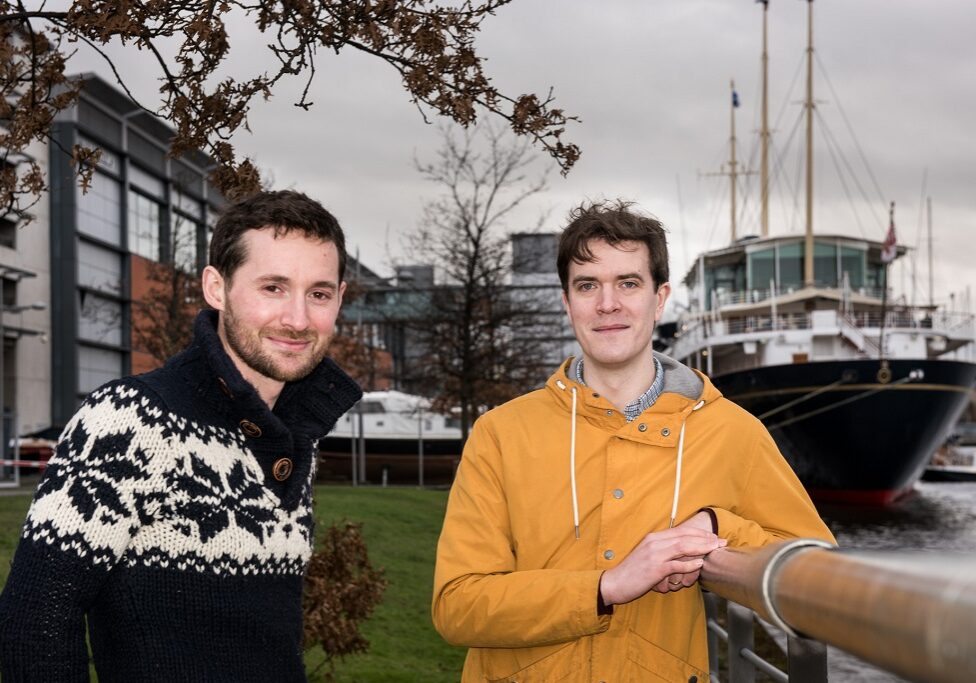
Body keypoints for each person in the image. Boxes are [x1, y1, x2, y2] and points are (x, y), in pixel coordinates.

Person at [432, 200, 835, 682]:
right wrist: (605, 587)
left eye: (628, 283)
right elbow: (458, 605)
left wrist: (716, 527)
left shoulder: (732, 432)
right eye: (587, 286)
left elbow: (819, 572)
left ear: (659, 298)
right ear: (567, 302)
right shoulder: (500, 433)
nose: (608, 305)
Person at [0, 190, 363, 682]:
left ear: (339, 299)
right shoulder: (131, 417)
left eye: (318, 293)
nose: (298, 319)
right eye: (273, 287)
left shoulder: (292, 434)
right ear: (216, 288)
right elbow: (33, 622)